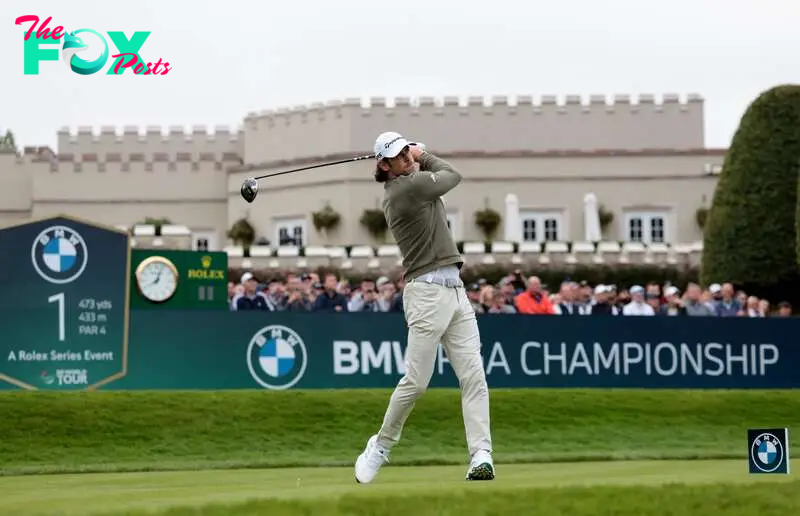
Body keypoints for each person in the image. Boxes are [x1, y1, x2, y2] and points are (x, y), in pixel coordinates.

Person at [354, 131, 494, 484]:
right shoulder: (406, 188)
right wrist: (423, 153)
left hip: (455, 290)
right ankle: (380, 445)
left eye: (407, 152)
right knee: (416, 382)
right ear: (384, 165)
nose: (406, 158)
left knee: (474, 376)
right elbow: (452, 175)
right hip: (426, 293)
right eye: (399, 155)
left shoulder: (412, 180)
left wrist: (414, 156)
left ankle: (481, 454)